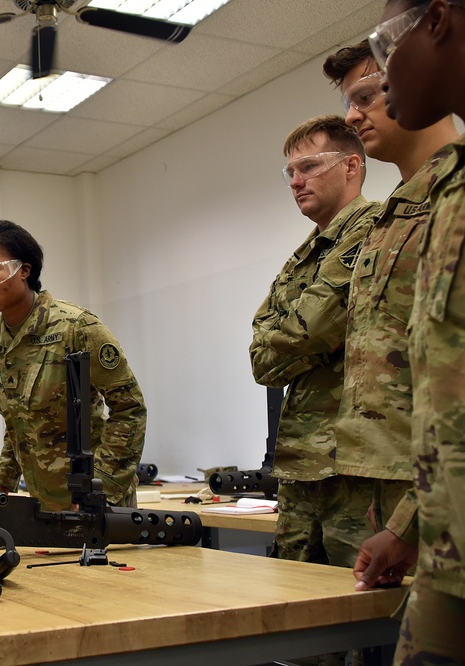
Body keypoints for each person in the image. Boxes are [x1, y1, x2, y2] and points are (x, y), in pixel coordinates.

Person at [349, 1, 465, 662]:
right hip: (448, 556)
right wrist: (413, 525)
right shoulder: (451, 189)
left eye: (388, 45)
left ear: (440, 20)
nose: (387, 77)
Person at [322, 39, 459, 557]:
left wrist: (411, 518)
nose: (353, 118)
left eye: (365, 96)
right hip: (378, 475)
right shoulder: (390, 215)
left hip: (435, 486)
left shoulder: (451, 195)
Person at [250, 116, 381, 570]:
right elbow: (262, 361)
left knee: (360, 614)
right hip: (301, 464)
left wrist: (296, 341)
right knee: (296, 612)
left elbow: (305, 331)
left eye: (308, 166)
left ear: (351, 166)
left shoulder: (373, 231)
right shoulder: (306, 254)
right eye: (289, 172)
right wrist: (302, 342)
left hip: (352, 468)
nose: (296, 181)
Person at [0, 220, 147, 511]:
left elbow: (130, 409)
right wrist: (1, 485)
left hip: (97, 504)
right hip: (42, 501)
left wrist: (101, 489)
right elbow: (18, 422)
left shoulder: (76, 326)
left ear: (24, 270)